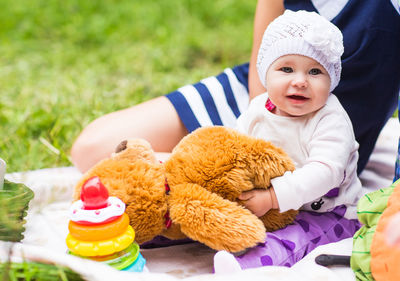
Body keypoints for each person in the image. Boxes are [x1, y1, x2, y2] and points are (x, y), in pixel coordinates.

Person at [70, 0, 400, 175]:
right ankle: (194, 172)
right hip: (261, 103)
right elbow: (262, 62)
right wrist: (253, 143)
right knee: (93, 149)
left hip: (321, 136)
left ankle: (197, 177)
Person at [210, 9, 362, 270]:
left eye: (315, 72)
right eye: (287, 69)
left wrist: (270, 198)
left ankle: (247, 265)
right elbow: (235, 147)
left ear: (332, 80)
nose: (300, 81)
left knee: (296, 238)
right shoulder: (259, 109)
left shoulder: (330, 119)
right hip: (271, 204)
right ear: (265, 74)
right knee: (210, 211)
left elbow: (326, 172)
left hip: (327, 212)